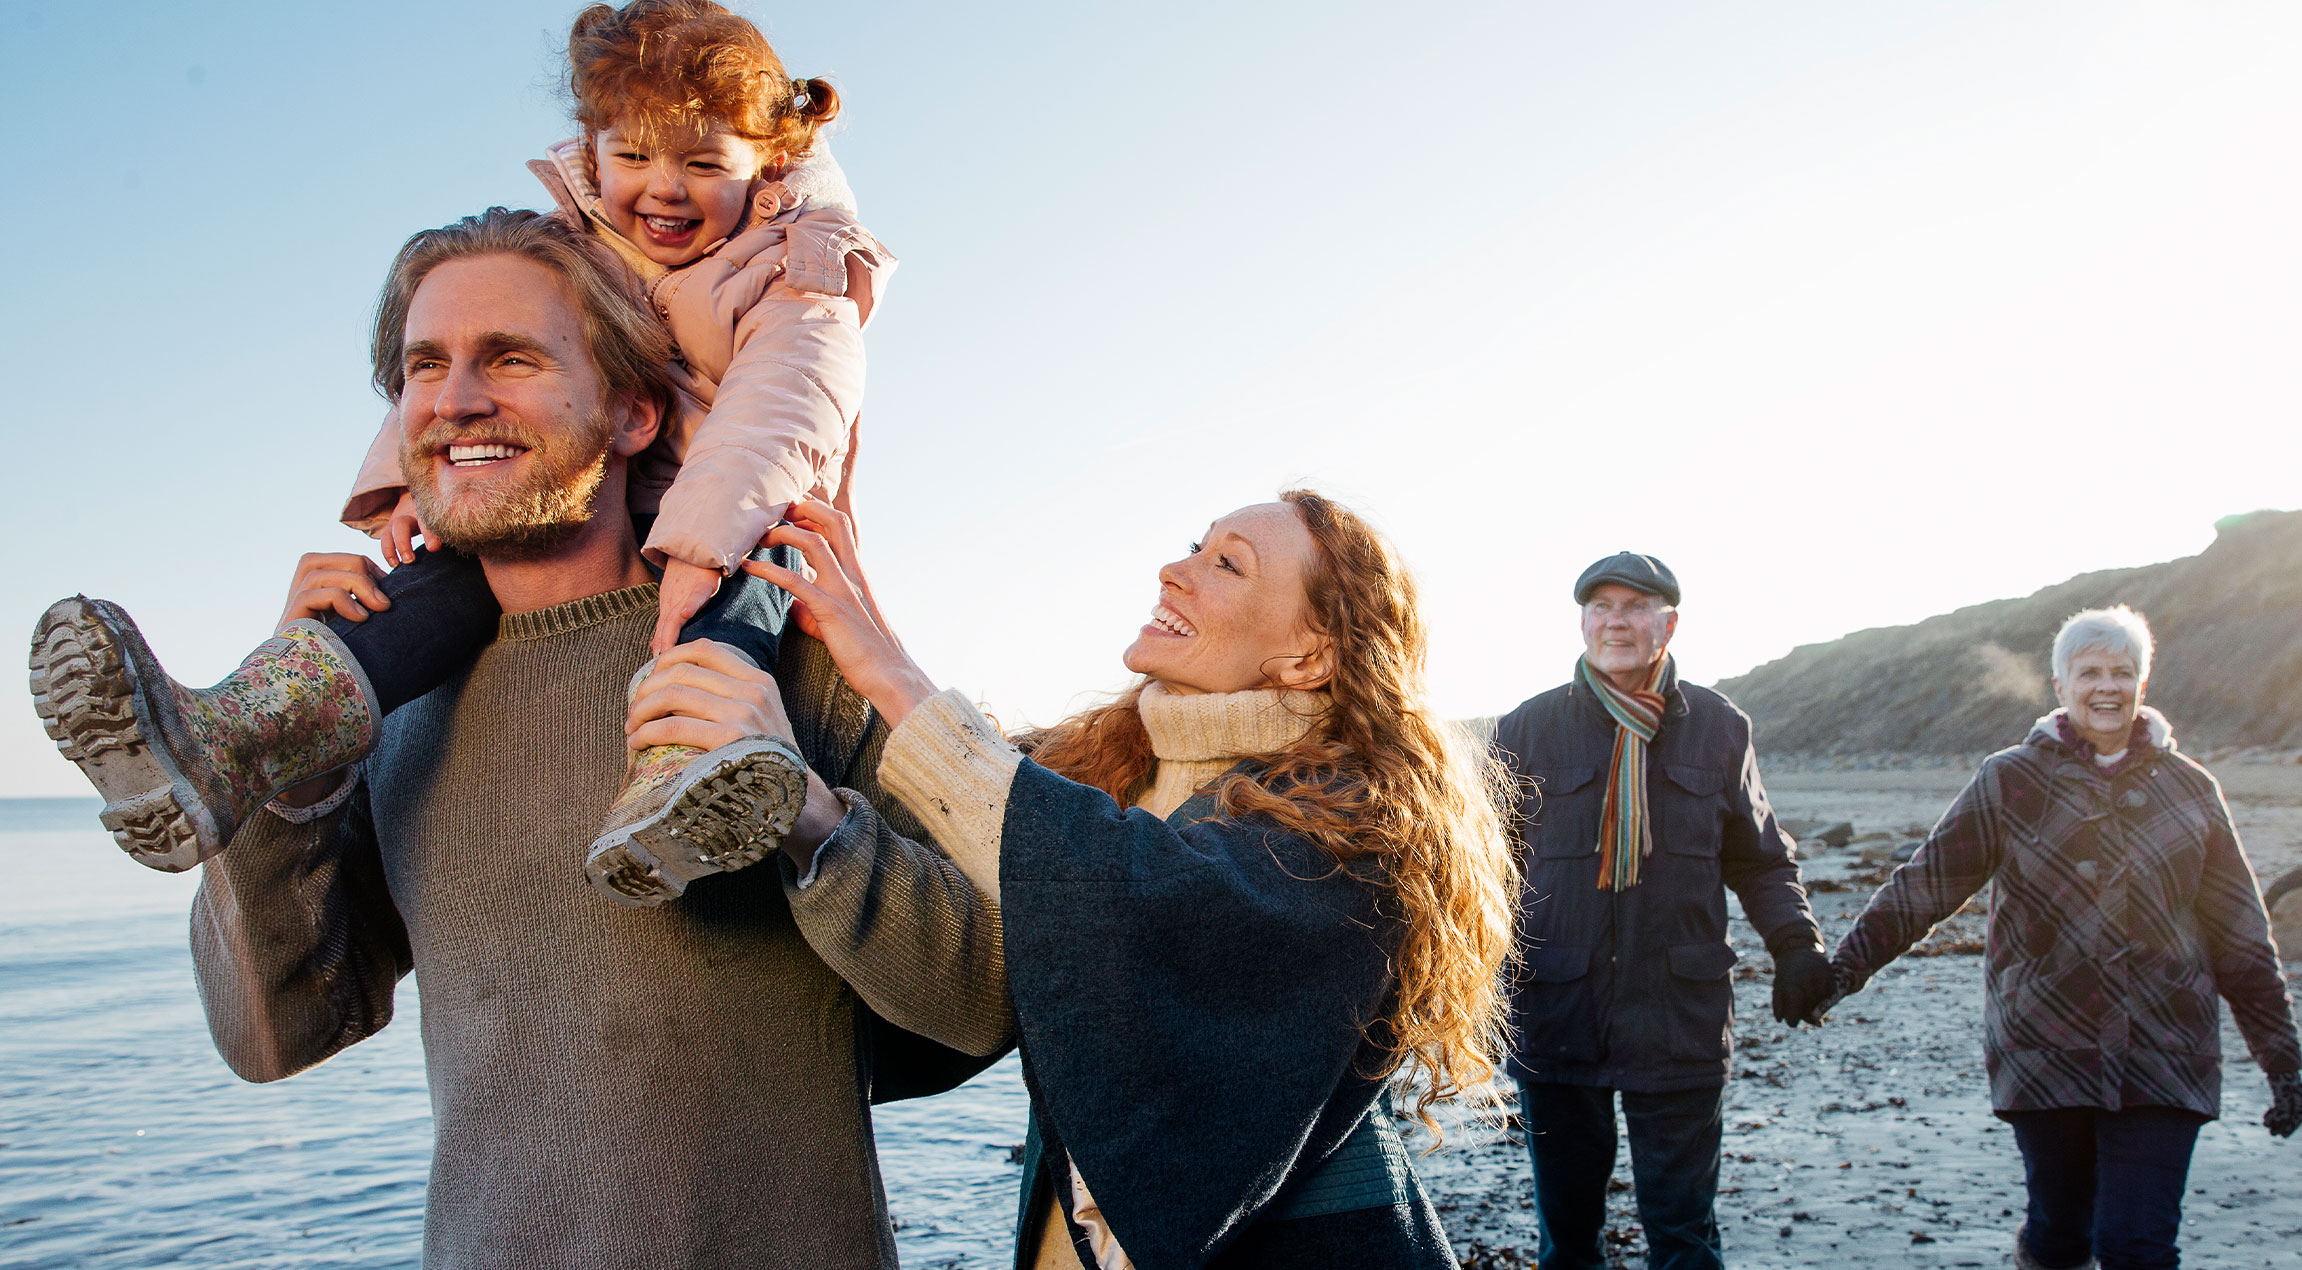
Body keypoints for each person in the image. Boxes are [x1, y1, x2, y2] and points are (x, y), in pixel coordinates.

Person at [40, 209, 1005, 1268]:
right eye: (425, 366)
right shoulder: (385, 702)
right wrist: (295, 773)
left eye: (509, 357)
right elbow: (268, 1035)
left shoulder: (783, 657)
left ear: (634, 414)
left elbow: (981, 1008)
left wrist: (813, 823)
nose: (456, 399)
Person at [30, 0, 892, 907]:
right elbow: (452, 368)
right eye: (633, 155)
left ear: (769, 165)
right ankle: (233, 741)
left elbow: (781, 411)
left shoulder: (798, 265)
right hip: (586, 499)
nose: (665, 187)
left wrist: (701, 540)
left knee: (732, 609)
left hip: (746, 517)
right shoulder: (568, 250)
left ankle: (686, 779)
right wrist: (420, 482)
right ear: (592, 151)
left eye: (703, 161)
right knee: (435, 581)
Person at [693, 490, 1517, 1268]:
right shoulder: (1099, 773)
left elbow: (1150, 898)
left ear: (1309, 656)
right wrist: (810, 814)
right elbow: (980, 978)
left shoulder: (1358, 823)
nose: (1176, 569)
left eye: (1228, 564)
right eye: (1195, 546)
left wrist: (895, 674)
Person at [1827, 606, 2302, 1270]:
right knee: (2060, 1236)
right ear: (2061, 685)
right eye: (2089, 673)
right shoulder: (2010, 780)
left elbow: (2241, 934)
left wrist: (2282, 1062)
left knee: (2137, 1246)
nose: (2106, 687)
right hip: (2047, 1047)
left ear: (2143, 683)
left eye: (2123, 672)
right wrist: (1841, 972)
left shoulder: (2190, 790)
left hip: (2167, 1048)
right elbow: (1926, 886)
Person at [1490, 551, 1832, 1270]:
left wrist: (1796, 945)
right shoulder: (1527, 729)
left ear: (1668, 623)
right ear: (1583, 620)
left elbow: (1759, 856)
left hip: (1679, 1015)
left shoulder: (1718, 725)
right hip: (1557, 1012)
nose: (1616, 621)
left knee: (1683, 1235)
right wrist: (1473, 991)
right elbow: (1485, 874)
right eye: (1602, 607)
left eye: (1635, 606)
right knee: (1568, 1241)